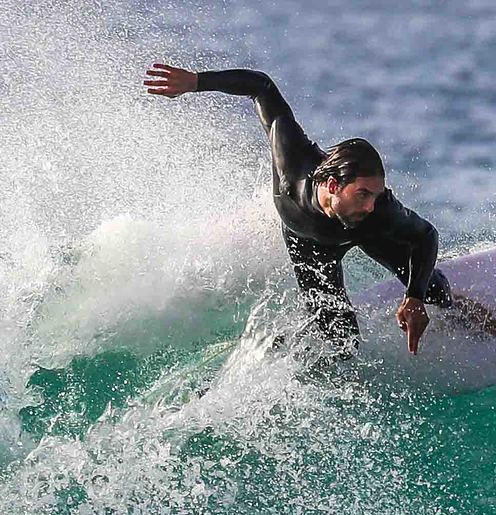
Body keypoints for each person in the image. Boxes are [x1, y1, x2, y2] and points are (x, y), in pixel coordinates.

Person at [144, 63, 452, 358]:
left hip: (365, 234)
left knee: (432, 289)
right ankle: (288, 349)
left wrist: (413, 297)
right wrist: (196, 82)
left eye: (375, 194)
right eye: (362, 194)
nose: (370, 204)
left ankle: (463, 311)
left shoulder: (377, 211)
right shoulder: (293, 164)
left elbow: (426, 236)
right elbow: (261, 87)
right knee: (341, 341)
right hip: (307, 243)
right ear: (332, 186)